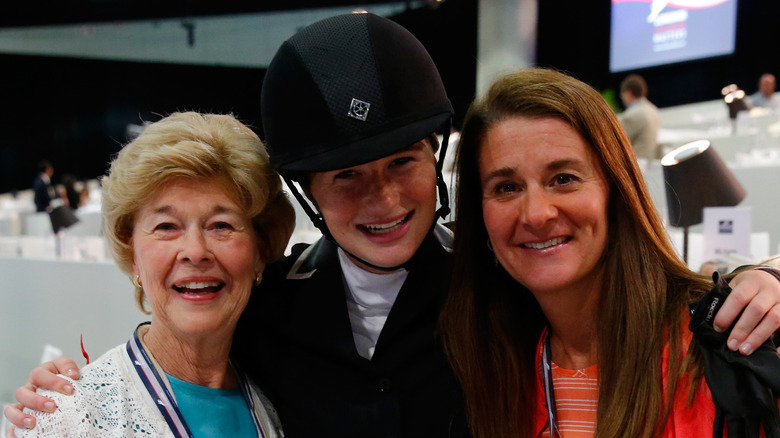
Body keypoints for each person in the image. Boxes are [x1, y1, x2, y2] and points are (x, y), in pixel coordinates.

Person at [7, 14, 780, 438]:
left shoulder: (501, 286)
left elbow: (623, 291)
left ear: (435, 156)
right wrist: (71, 403)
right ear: (306, 192)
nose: (382, 199)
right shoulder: (267, 308)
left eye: (402, 162)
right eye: (347, 176)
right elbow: (175, 361)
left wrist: (748, 280)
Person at [439, 67, 780, 438]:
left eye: (563, 179)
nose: (536, 213)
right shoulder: (482, 361)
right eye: (506, 187)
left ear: (616, 191)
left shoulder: (727, 342)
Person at [13, 112, 294, 437]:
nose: (195, 250)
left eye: (222, 225)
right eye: (166, 227)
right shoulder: (72, 417)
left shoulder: (276, 408)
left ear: (259, 252)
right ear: (132, 255)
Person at [617, 73, 660, 160]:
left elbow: (616, 141)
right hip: (649, 162)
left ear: (628, 94)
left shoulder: (633, 115)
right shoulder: (653, 109)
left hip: (636, 163)